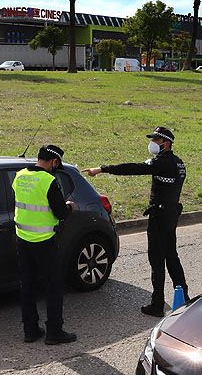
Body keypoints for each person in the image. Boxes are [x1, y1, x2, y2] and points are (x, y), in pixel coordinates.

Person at [85, 126, 187, 317]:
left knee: (157, 260)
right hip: (171, 215)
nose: (153, 144)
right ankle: (184, 297)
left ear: (167, 143)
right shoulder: (178, 164)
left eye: (156, 141)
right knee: (171, 256)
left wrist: (102, 169)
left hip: (159, 217)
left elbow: (133, 168)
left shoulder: (163, 163)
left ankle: (157, 304)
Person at [13, 144, 76, 344]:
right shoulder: (48, 181)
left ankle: (30, 330)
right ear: (54, 162)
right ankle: (54, 332)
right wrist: (69, 207)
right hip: (44, 241)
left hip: (22, 239)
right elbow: (60, 212)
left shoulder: (20, 175)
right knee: (54, 286)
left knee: (27, 285)